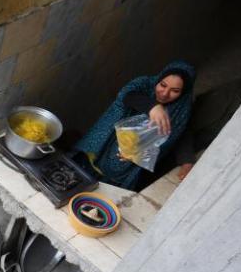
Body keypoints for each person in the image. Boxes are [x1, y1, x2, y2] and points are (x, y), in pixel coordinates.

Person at [74, 60, 196, 191]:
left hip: (126, 164)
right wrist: (152, 107)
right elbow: (127, 94)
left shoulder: (181, 111)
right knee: (78, 175)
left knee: (103, 191)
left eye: (175, 91)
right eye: (163, 85)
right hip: (104, 143)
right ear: (159, 78)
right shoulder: (144, 83)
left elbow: (182, 132)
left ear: (184, 92)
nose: (165, 93)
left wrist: (187, 160)